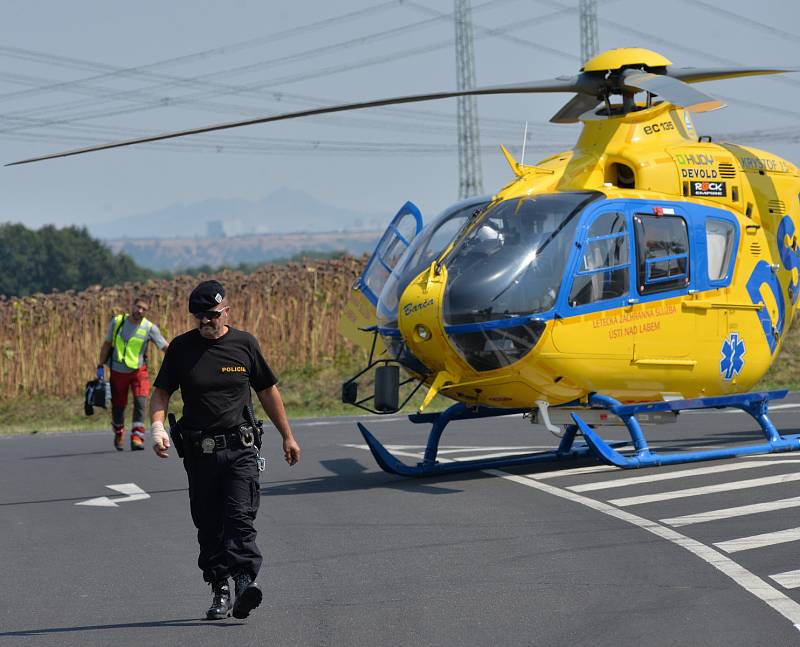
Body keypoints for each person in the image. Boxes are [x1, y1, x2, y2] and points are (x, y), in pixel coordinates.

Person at [149, 279, 301, 621]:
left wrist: (287, 436)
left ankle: (245, 582)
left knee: (239, 517)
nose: (206, 321)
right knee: (209, 525)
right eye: (199, 316)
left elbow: (267, 391)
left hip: (241, 449)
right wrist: (157, 428)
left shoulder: (244, 344)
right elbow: (161, 393)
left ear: (226, 311)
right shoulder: (181, 349)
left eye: (212, 315)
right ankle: (220, 588)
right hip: (201, 453)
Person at [97, 295, 168, 451]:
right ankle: (119, 432)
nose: (140, 311)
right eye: (138, 307)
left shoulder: (149, 328)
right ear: (132, 306)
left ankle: (137, 437)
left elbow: (163, 346)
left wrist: (180, 357)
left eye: (144, 309)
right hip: (118, 371)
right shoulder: (117, 322)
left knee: (141, 403)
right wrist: (100, 365)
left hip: (139, 371)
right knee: (118, 406)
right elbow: (107, 344)